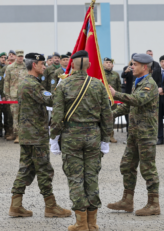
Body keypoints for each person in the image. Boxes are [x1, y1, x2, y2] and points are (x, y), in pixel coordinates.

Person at [50, 50, 113, 230]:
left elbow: (57, 116)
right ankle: (92, 223)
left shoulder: (63, 85)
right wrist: (106, 138)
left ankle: (81, 222)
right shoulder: (98, 85)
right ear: (89, 65)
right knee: (92, 177)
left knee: (75, 178)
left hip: (71, 137)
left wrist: (54, 137)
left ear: (72, 64)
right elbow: (107, 115)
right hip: (93, 136)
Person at [9, 52, 71, 219]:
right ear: (34, 65)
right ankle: (50, 207)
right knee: (44, 169)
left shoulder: (27, 83)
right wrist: (63, 85)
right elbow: (51, 100)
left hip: (28, 134)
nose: (44, 66)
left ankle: (16, 206)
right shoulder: (32, 84)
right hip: (36, 135)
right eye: (42, 64)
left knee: (25, 168)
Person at [107, 53, 160, 216]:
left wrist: (116, 94)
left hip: (146, 133)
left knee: (147, 168)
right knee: (127, 165)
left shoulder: (149, 84)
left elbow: (136, 100)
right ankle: (127, 200)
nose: (132, 67)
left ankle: (154, 204)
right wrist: (108, 114)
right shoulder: (138, 83)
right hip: (135, 133)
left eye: (135, 64)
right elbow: (128, 106)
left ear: (145, 67)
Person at [4, 50, 27, 143]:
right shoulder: (10, 67)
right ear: (16, 57)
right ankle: (15, 133)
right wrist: (7, 95)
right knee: (14, 116)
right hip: (13, 95)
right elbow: (6, 82)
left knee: (23, 116)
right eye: (19, 56)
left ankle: (20, 135)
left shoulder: (27, 67)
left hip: (24, 95)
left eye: (22, 56)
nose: (20, 58)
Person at [102, 57, 121, 143]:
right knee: (102, 117)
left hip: (113, 100)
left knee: (112, 117)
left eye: (110, 62)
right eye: (107, 62)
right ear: (103, 64)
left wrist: (119, 98)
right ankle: (103, 135)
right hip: (103, 99)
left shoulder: (116, 74)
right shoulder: (101, 74)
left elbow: (119, 87)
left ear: (112, 64)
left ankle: (111, 135)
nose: (108, 64)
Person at [0, 60, 13, 138]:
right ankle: (0, 130)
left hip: (9, 96)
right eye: (8, 60)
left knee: (8, 114)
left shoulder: (13, 71)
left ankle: (8, 131)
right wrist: (0, 94)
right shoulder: (1, 71)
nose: (9, 62)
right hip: (0, 96)